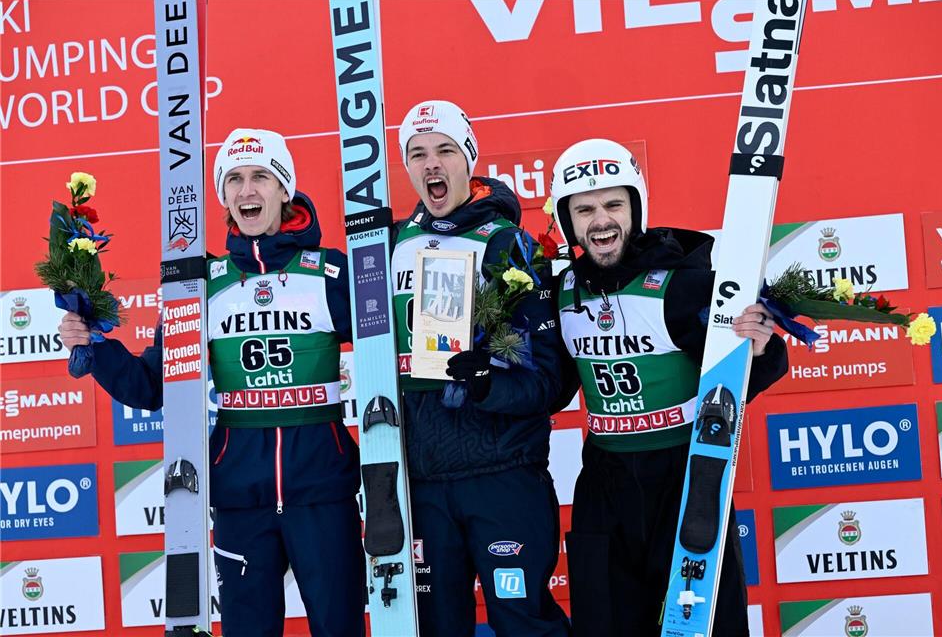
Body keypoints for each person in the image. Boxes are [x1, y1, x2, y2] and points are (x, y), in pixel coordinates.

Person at [58, 128, 364, 637]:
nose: (248, 190)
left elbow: (389, 355)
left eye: (261, 177)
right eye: (235, 180)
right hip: (240, 498)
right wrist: (96, 347)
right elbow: (152, 386)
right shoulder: (200, 284)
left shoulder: (331, 272)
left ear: (284, 188)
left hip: (322, 494)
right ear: (223, 196)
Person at [548, 138, 789, 636]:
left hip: (683, 476)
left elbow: (744, 368)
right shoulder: (560, 293)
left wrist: (760, 346)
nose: (601, 219)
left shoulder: (681, 283)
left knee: (705, 623)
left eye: (614, 203)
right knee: (604, 623)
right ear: (567, 219)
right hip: (604, 482)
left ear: (635, 209)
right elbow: (549, 387)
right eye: (585, 208)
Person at [391, 100, 571, 637]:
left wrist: (489, 383)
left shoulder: (507, 245)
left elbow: (552, 381)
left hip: (502, 476)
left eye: (445, 150)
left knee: (523, 623)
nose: (431, 165)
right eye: (417, 154)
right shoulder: (387, 245)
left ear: (468, 159)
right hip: (421, 485)